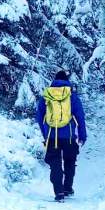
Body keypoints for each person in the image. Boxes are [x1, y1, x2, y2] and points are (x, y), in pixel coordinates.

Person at [36, 70, 87, 201]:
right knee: (70, 161)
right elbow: (80, 117)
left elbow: (39, 116)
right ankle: (67, 188)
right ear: (67, 81)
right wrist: (82, 135)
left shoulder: (47, 95)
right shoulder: (72, 96)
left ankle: (59, 192)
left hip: (52, 137)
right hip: (69, 136)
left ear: (54, 80)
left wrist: (45, 133)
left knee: (55, 163)